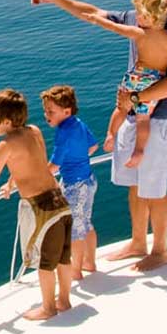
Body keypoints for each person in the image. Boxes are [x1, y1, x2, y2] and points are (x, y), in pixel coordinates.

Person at [27, 0, 167, 271]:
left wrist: (135, 99)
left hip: (159, 122)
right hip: (134, 116)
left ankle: (160, 250)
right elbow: (94, 13)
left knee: (154, 188)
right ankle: (138, 242)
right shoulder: (139, 17)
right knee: (135, 184)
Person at [0, 89, 73, 320]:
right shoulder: (34, 131)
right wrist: (11, 183)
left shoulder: (5, 146)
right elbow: (33, 162)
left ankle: (48, 307)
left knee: (45, 263)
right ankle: (64, 300)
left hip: (41, 208)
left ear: (6, 121)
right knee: (64, 258)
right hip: (60, 199)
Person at [81, 0, 167, 168]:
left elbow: (114, 27)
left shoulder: (139, 33)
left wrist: (95, 19)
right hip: (153, 82)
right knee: (143, 118)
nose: (136, 16)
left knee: (121, 108)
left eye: (139, 13)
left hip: (136, 77)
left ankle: (111, 134)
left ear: (149, 17)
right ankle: (139, 150)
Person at [40, 85, 99, 280]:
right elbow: (93, 146)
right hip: (88, 180)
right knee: (86, 223)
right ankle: (90, 262)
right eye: (45, 111)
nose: (46, 115)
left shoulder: (63, 133)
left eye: (51, 111)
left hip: (75, 186)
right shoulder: (79, 123)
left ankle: (76, 271)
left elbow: (54, 165)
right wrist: (78, 158)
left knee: (74, 231)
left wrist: (36, 177)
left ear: (66, 111)